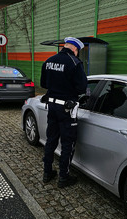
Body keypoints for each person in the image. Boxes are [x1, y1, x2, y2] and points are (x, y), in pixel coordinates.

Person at [40, 37, 88, 188]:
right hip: (66, 109)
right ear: (75, 49)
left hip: (52, 107)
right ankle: (63, 177)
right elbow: (82, 88)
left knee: (51, 140)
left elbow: (43, 84)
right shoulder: (74, 62)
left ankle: (47, 172)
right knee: (68, 143)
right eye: (78, 51)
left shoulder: (48, 61)